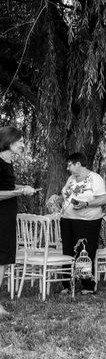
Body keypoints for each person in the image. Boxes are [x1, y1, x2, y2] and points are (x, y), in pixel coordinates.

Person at [0, 127, 38, 317]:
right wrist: (19, 192)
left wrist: (23, 187)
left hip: (7, 217)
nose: (23, 145)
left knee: (4, 260)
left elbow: (6, 185)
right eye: (20, 141)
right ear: (8, 141)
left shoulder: (7, 162)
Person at [59, 152, 106, 294]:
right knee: (68, 251)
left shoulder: (95, 178)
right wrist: (58, 200)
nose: (68, 168)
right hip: (67, 220)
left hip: (88, 221)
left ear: (78, 164)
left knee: (84, 252)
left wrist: (86, 203)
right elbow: (67, 196)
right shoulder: (71, 178)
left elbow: (103, 199)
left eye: (69, 165)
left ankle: (87, 285)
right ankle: (67, 284)